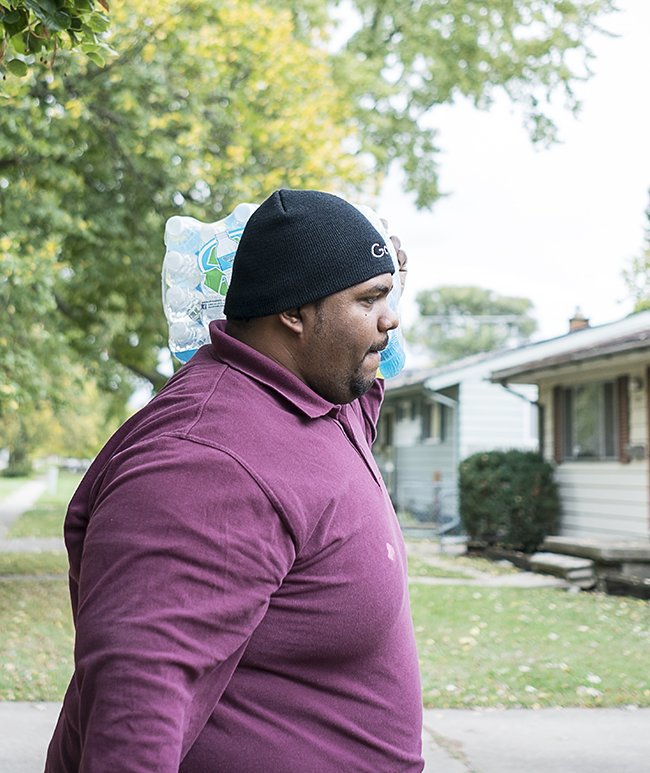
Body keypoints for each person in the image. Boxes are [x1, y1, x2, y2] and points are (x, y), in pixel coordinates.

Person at [45, 188, 421, 773]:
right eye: (371, 298)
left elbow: (368, 376)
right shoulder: (204, 463)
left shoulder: (318, 399)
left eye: (389, 295)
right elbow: (133, 714)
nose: (391, 317)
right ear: (293, 313)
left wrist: (373, 271)